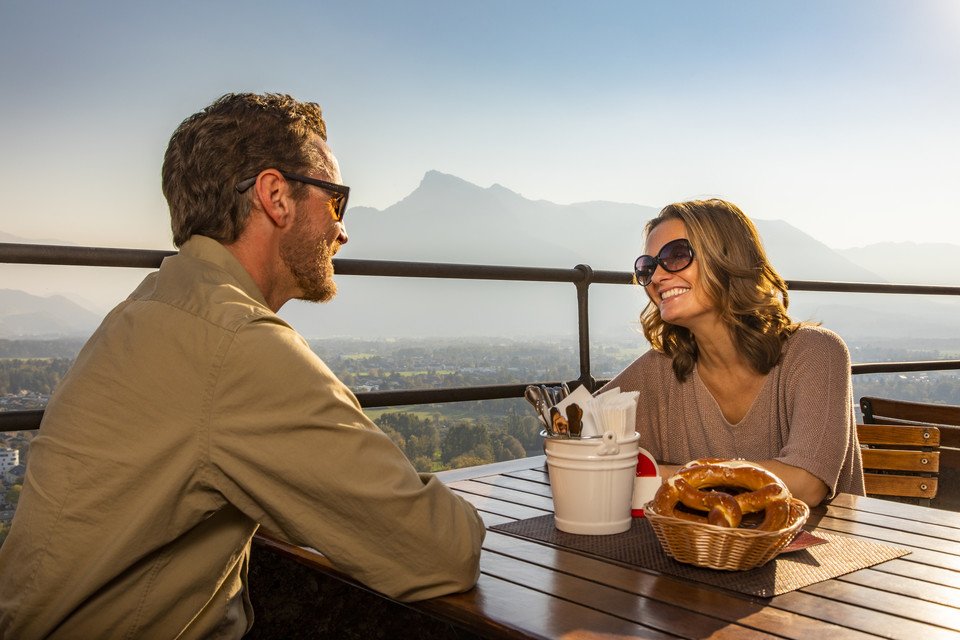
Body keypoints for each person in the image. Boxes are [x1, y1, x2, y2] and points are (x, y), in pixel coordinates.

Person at [0, 93, 485, 639]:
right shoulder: (234, 343)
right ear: (276, 196)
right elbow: (440, 550)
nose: (342, 231)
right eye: (336, 201)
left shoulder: (152, 307)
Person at [601, 199, 864, 506]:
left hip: (831, 549)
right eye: (648, 267)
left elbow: (806, 484)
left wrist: (667, 477)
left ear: (727, 257)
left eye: (676, 256)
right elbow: (572, 440)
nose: (657, 277)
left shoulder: (816, 352)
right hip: (696, 551)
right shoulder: (658, 368)